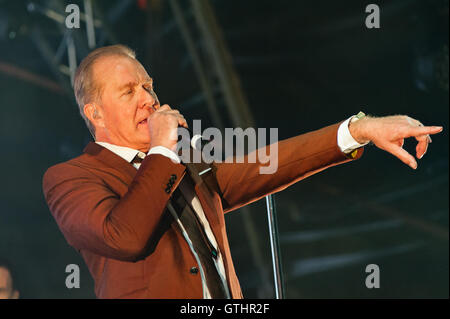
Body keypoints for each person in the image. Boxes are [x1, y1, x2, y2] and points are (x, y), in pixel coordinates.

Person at [42, 45, 443, 299]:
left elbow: (266, 163)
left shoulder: (184, 159)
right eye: (129, 91)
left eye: (148, 86)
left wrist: (359, 130)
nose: (148, 99)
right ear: (95, 114)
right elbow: (125, 235)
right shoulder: (71, 177)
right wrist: (163, 148)